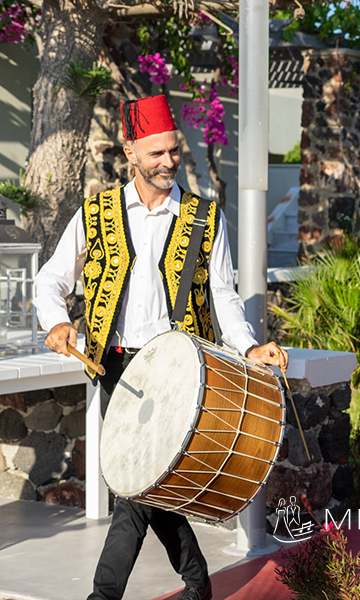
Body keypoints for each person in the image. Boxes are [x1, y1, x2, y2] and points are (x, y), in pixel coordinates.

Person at [33, 95, 288, 600]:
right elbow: (51, 279)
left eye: (173, 151)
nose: (169, 161)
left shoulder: (204, 218)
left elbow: (222, 296)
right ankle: (198, 584)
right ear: (130, 152)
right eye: (156, 154)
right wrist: (57, 322)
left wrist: (249, 347)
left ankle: (102, 597)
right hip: (116, 365)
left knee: (136, 487)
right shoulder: (96, 212)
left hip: (181, 370)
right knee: (148, 484)